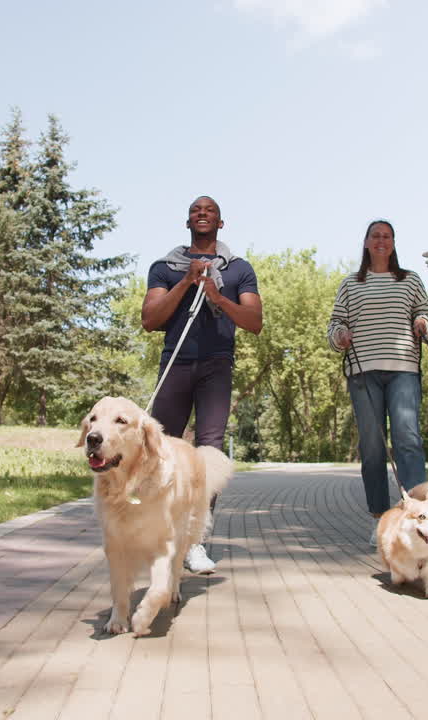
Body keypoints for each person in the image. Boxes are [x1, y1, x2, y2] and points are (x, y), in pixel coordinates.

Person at [141, 195, 262, 573]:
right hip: (176, 362)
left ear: (221, 223)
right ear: (187, 221)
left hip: (216, 366)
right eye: (196, 210)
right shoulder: (166, 267)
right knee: (160, 449)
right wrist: (188, 283)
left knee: (208, 455)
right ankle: (159, 535)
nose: (202, 213)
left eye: (209, 210)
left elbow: (254, 321)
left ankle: (195, 542)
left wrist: (216, 297)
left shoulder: (239, 269)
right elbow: (149, 318)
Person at [326, 219, 428, 544]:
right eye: (376, 236)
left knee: (408, 441)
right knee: (372, 448)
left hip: (403, 369)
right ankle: (381, 520)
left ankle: (418, 518)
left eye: (387, 236)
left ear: (394, 242)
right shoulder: (351, 283)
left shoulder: (410, 280)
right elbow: (334, 324)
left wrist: (421, 323)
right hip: (362, 372)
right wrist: (340, 335)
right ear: (367, 243)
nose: (381, 240)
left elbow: (426, 315)